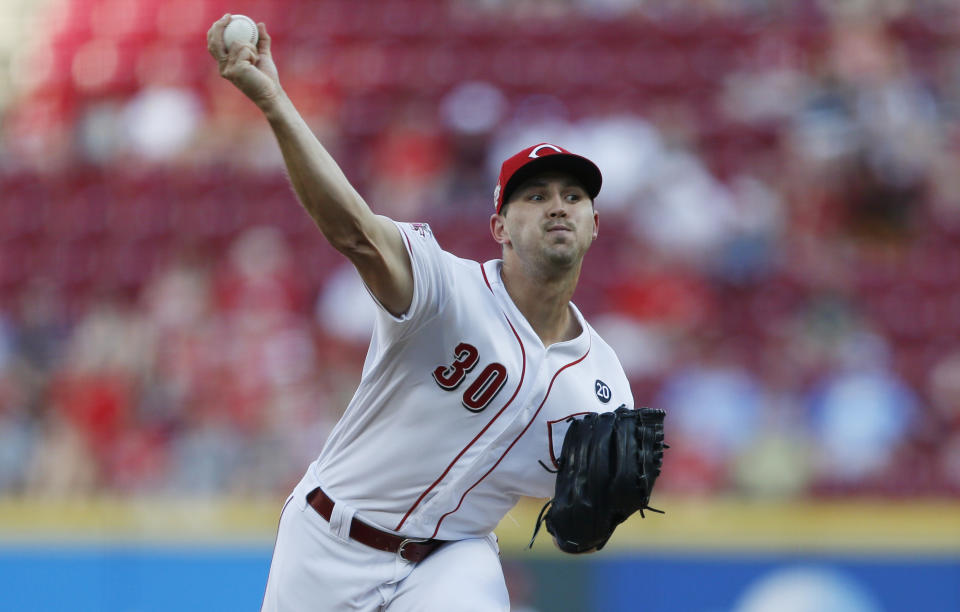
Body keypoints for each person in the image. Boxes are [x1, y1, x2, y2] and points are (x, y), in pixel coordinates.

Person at [207, 15, 636, 611]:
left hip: (452, 559)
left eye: (573, 197)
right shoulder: (444, 288)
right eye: (534, 196)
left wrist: (599, 516)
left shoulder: (605, 385)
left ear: (594, 226)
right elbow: (356, 232)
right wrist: (277, 104)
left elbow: (582, 517)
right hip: (330, 538)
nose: (557, 208)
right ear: (499, 228)